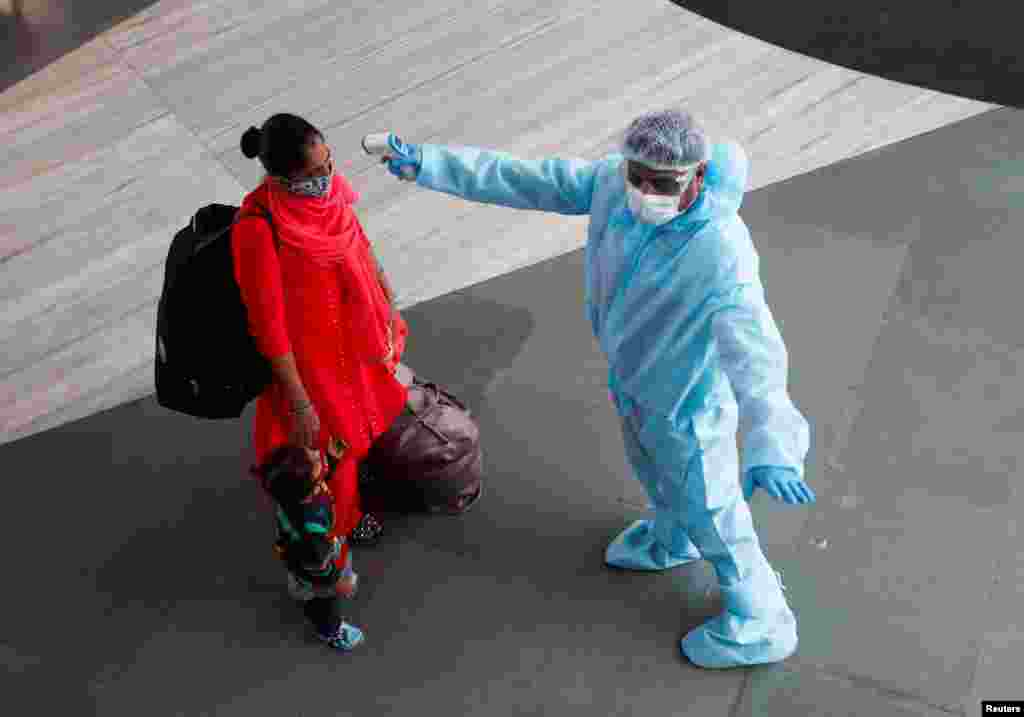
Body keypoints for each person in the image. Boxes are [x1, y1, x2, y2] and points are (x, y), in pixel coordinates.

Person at [370, 109, 816, 669]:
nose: (644, 191)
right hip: (635, 379)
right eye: (637, 176)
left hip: (686, 404)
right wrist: (431, 165)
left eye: (663, 183)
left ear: (697, 176)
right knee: (652, 470)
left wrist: (776, 446)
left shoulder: (719, 252)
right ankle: (671, 537)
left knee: (715, 511)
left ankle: (761, 619)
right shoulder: (614, 184)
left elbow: (758, 355)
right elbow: (529, 178)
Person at [233, 114, 412, 634]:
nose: (329, 175)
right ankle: (332, 534)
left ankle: (348, 515)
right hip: (309, 370)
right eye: (316, 171)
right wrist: (300, 401)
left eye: (329, 162)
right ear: (282, 178)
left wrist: (384, 298)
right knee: (327, 452)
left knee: (351, 441)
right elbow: (270, 330)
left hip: (349, 350)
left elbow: (359, 240)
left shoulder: (328, 195)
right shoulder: (258, 230)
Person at [250, 440, 363, 650]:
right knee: (323, 604)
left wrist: (332, 459)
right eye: (312, 460)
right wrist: (337, 582)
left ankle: (302, 588)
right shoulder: (312, 530)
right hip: (315, 571)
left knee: (306, 576)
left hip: (302, 553)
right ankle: (330, 631)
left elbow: (319, 477)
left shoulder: (291, 493)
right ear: (310, 490)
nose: (315, 454)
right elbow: (319, 567)